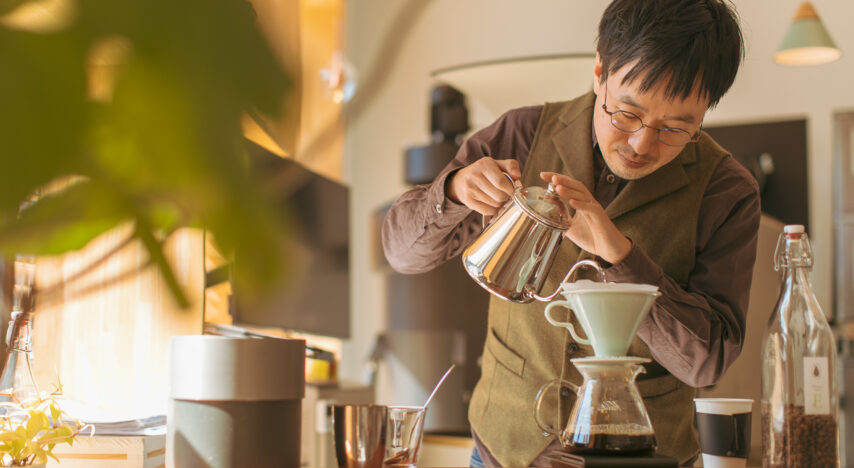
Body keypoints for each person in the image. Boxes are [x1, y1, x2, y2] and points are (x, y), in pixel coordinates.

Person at [382, 0, 759, 466]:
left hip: (646, 455)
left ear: (705, 111)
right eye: (627, 113)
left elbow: (708, 359)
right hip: (504, 446)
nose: (643, 144)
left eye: (675, 128)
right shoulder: (521, 134)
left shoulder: (727, 191)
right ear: (600, 71)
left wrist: (618, 254)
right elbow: (402, 253)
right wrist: (455, 191)